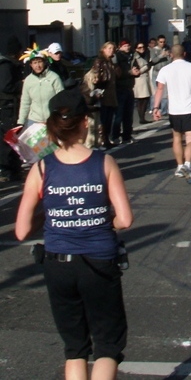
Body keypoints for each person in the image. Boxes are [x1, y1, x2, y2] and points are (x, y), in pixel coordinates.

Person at [15, 86, 133, 380]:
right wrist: (99, 220)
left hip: (58, 263)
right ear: (85, 123)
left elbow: (21, 231)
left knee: (75, 348)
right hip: (99, 261)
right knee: (107, 346)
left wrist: (53, 213)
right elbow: (125, 219)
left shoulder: (41, 168)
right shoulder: (103, 162)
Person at [153, 44, 191, 183]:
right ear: (185, 54)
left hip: (174, 110)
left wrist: (156, 108)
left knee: (176, 137)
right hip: (190, 109)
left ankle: (179, 166)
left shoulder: (165, 69)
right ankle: (188, 165)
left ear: (171, 55)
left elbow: (159, 89)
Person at [17, 46, 64, 126]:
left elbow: (62, 99)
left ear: (44, 62)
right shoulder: (28, 80)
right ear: (31, 65)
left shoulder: (54, 77)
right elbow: (25, 102)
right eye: (35, 63)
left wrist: (61, 117)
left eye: (39, 62)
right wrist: (21, 121)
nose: (37, 66)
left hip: (52, 120)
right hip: (34, 121)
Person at [0, 36, 23, 181]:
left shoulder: (6, 64)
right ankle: (7, 170)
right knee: (8, 139)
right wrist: (21, 85)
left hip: (7, 106)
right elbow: (6, 87)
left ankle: (12, 169)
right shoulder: (6, 66)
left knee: (10, 138)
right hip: (7, 106)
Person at [111, 40, 140, 145]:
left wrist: (137, 72)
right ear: (120, 47)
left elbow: (136, 67)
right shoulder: (116, 57)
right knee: (119, 115)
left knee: (128, 115)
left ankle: (127, 136)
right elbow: (117, 73)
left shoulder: (132, 56)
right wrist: (129, 72)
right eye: (124, 46)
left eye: (128, 45)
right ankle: (115, 136)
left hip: (129, 87)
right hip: (119, 88)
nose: (127, 47)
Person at [90, 42, 118, 151]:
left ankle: (106, 139)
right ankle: (101, 140)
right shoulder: (99, 61)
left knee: (109, 118)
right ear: (104, 49)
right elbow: (96, 77)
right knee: (103, 118)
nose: (111, 50)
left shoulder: (110, 61)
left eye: (113, 48)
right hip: (103, 93)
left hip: (111, 92)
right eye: (109, 48)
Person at [150, 35, 170, 114]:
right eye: (161, 42)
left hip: (165, 72)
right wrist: (162, 55)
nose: (162, 43)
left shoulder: (167, 49)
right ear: (157, 42)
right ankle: (153, 108)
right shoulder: (154, 50)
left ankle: (164, 110)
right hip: (157, 72)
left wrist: (168, 56)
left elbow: (169, 61)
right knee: (156, 91)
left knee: (165, 91)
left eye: (164, 42)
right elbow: (153, 60)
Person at [132, 42, 152, 124]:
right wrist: (146, 67)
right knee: (142, 100)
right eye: (139, 47)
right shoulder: (135, 57)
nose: (142, 49)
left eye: (143, 47)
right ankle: (141, 118)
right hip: (139, 80)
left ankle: (142, 117)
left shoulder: (146, 55)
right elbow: (136, 70)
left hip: (145, 80)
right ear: (136, 49)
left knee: (145, 99)